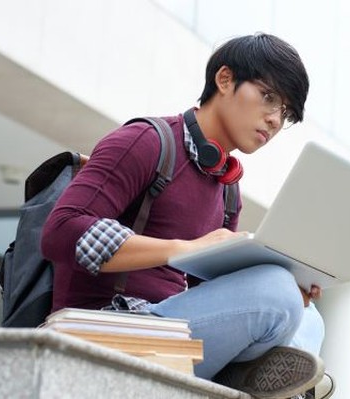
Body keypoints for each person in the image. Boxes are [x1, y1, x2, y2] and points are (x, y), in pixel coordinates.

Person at [41, 33, 334, 399]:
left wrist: (291, 286)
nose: (275, 120)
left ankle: (251, 379)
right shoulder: (146, 141)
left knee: (307, 315)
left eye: (286, 112)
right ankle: (238, 379)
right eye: (269, 97)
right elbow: (61, 232)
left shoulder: (227, 189)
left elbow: (207, 294)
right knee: (275, 291)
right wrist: (184, 248)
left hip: (173, 336)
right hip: (107, 329)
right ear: (224, 80)